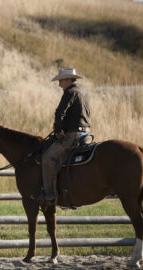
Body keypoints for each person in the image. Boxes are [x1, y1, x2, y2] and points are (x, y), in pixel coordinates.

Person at [41, 67, 91, 206]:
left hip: (72, 135)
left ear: (69, 79)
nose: (59, 83)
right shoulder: (83, 92)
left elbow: (59, 113)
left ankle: (50, 196)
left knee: (47, 158)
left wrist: (57, 130)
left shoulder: (69, 92)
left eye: (61, 80)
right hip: (86, 134)